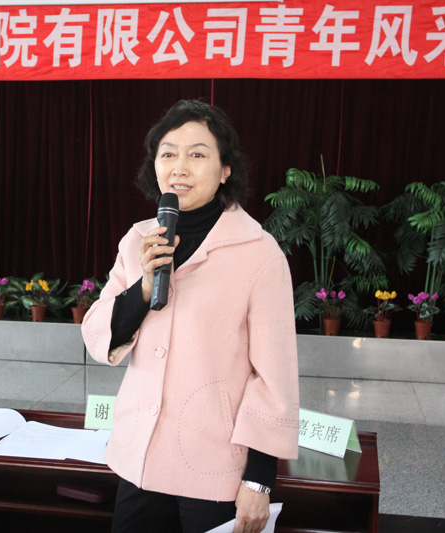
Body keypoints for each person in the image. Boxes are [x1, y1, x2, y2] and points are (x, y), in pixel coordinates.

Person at [82, 100, 299, 533]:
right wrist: (144, 287)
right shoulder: (138, 241)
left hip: (215, 469)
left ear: (225, 170)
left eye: (197, 154)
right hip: (140, 457)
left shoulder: (259, 253)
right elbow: (98, 332)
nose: (179, 167)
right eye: (168, 153)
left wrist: (259, 479)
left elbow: (274, 377)